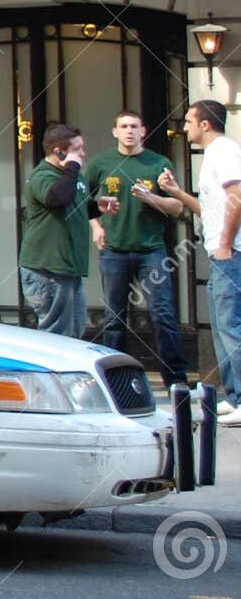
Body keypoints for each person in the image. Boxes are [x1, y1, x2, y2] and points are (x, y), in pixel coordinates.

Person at [83, 111, 186, 388]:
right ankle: (115, 380)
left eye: (134, 127)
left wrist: (150, 197)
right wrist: (97, 227)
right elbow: (83, 201)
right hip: (114, 250)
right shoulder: (100, 164)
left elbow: (177, 207)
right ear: (114, 131)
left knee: (162, 314)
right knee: (114, 317)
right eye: (123, 126)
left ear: (144, 131)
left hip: (151, 250)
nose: (129, 131)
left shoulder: (158, 163)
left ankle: (175, 379)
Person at [157, 101, 241, 419]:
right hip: (224, 253)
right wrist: (178, 193)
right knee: (221, 327)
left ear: (205, 124)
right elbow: (211, 209)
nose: (185, 127)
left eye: (190, 121)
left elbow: (237, 197)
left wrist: (224, 244)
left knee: (231, 326)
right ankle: (233, 397)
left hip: (230, 253)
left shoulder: (223, 151)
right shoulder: (214, 155)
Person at [18, 123, 98, 337]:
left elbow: (77, 204)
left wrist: (99, 206)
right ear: (59, 152)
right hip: (47, 269)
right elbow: (57, 198)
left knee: (75, 328)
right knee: (56, 333)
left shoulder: (73, 176)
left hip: (69, 268)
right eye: (77, 149)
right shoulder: (42, 175)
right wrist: (72, 167)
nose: (83, 153)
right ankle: (47, 373)